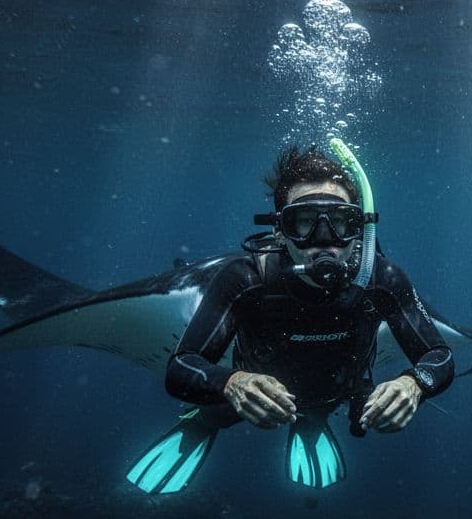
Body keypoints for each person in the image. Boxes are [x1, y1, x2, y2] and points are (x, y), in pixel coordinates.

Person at [127, 143, 454, 493]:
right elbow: (181, 367)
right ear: (280, 231)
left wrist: (414, 384)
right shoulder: (246, 278)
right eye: (304, 222)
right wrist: (232, 383)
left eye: (340, 222)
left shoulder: (382, 280)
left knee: (318, 411)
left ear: (359, 228)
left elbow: (440, 357)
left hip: (334, 395)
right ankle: (201, 424)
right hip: (246, 398)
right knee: (217, 413)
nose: (324, 240)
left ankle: (311, 423)